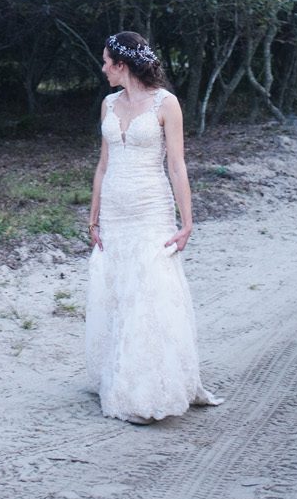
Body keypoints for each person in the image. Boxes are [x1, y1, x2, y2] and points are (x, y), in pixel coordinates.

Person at [85, 31, 221, 423]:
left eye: (107, 61)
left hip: (150, 208)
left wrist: (187, 220)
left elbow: (176, 166)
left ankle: (147, 388)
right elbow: (103, 164)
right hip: (115, 208)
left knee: (149, 292)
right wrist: (94, 214)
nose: (103, 67)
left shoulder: (167, 103)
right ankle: (119, 372)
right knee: (117, 289)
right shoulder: (108, 104)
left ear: (122, 65)